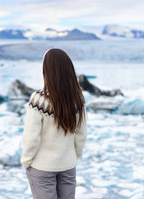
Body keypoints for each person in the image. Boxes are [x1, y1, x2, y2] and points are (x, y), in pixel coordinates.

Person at [21, 48, 87, 199]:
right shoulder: (77, 98)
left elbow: (32, 136)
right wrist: (74, 155)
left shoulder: (39, 99)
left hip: (43, 167)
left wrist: (26, 161)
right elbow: (81, 133)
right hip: (68, 164)